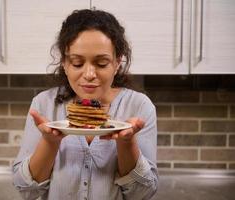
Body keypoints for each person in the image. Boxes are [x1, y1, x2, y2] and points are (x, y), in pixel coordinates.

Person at [13, 9, 158, 200]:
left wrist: (126, 143)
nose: (89, 74)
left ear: (117, 62)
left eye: (102, 63)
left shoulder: (139, 107)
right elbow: (26, 191)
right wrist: (50, 142)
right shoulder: (43, 104)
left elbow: (143, 194)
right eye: (77, 63)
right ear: (64, 63)